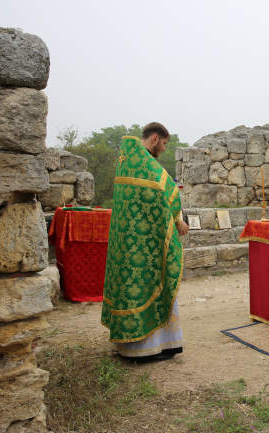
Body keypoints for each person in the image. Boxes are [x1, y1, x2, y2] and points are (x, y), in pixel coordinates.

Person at [101, 122, 189, 362]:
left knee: (129, 287)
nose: (164, 149)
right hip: (145, 241)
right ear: (154, 139)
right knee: (152, 282)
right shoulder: (147, 165)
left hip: (127, 241)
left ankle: (128, 346)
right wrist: (178, 220)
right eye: (164, 144)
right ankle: (148, 349)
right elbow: (167, 193)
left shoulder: (126, 160)